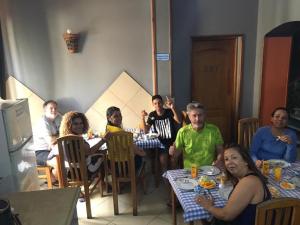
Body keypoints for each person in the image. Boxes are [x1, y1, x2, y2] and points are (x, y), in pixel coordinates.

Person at [196, 144, 271, 225]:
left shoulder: (249, 182)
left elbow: (225, 215)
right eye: (226, 159)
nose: (229, 162)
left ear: (246, 161)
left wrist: (209, 206)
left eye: (234, 158)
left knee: (207, 218)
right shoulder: (247, 177)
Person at [47, 111, 110, 178]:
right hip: (84, 173)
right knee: (103, 157)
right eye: (75, 124)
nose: (79, 126)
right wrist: (103, 140)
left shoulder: (62, 140)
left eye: (81, 123)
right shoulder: (78, 139)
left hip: (69, 174)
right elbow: (90, 151)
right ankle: (107, 184)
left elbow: (49, 158)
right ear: (69, 125)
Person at [169, 102, 224, 169]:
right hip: (190, 171)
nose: (197, 119)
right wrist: (173, 152)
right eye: (194, 116)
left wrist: (219, 160)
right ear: (189, 116)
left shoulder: (214, 130)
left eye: (200, 115)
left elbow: (220, 150)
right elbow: (176, 155)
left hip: (209, 170)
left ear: (204, 115)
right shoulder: (183, 131)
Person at [140, 95, 181, 171]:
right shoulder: (152, 115)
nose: (158, 105)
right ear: (153, 105)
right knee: (163, 161)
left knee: (173, 161)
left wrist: (172, 107)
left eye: (159, 103)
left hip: (173, 141)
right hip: (161, 143)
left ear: (162, 103)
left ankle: (172, 178)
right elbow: (146, 131)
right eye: (155, 103)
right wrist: (142, 118)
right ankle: (166, 180)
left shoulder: (169, 112)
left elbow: (179, 121)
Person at [106, 106, 146, 171]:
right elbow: (134, 149)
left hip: (112, 166)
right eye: (116, 116)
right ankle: (134, 178)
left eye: (120, 115)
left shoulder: (107, 129)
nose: (119, 118)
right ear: (109, 118)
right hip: (125, 166)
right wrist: (143, 154)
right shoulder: (121, 132)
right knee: (141, 157)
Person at [33, 100, 62, 166]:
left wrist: (56, 136)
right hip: (40, 152)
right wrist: (59, 135)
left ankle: (57, 175)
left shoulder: (58, 117)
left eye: (55, 108)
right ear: (45, 110)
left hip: (52, 149)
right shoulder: (43, 122)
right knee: (57, 162)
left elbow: (65, 132)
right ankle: (55, 175)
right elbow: (51, 141)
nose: (54, 110)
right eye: (51, 108)